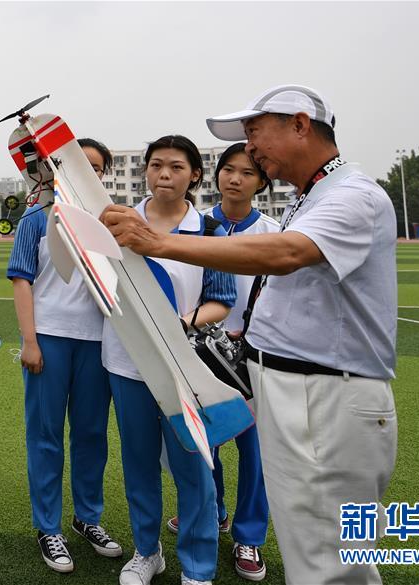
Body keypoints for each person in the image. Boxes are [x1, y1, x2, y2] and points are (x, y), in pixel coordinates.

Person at [102, 85, 398, 585]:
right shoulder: (311, 198)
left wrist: (159, 243)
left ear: (300, 125)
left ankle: (219, 551)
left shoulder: (353, 195)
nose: (250, 147)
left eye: (255, 132)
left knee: (332, 555)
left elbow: (286, 253)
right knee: (310, 545)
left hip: (327, 394)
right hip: (296, 388)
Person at [104, 135, 236, 585]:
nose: (164, 174)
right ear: (145, 170)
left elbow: (221, 299)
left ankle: (197, 567)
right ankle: (147, 552)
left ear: (194, 175)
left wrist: (182, 323)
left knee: (194, 466)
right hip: (127, 364)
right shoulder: (117, 222)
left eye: (176, 167)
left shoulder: (209, 231)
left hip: (184, 369)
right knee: (139, 462)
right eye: (156, 165)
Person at [6, 138, 122, 574]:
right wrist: (29, 341)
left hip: (98, 343)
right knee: (46, 436)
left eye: (96, 167)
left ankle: (87, 518)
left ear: (103, 175)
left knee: (91, 434)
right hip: (49, 340)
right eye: (78, 164)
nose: (86, 172)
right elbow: (21, 279)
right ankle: (48, 527)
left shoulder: (110, 219)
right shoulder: (37, 216)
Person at [167, 142, 278, 582]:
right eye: (228, 170)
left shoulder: (272, 232)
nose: (235, 179)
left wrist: (249, 333)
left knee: (254, 448)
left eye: (247, 173)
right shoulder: (197, 225)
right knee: (203, 443)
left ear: (262, 182)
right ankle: (212, 513)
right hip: (197, 350)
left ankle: (249, 536)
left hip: (250, 355)